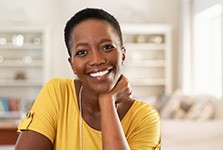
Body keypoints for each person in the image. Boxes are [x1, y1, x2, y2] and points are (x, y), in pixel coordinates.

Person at [15, 8, 161, 150]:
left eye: (107, 47)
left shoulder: (145, 118)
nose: (96, 60)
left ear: (122, 55)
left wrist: (107, 102)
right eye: (82, 52)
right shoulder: (58, 93)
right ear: (72, 64)